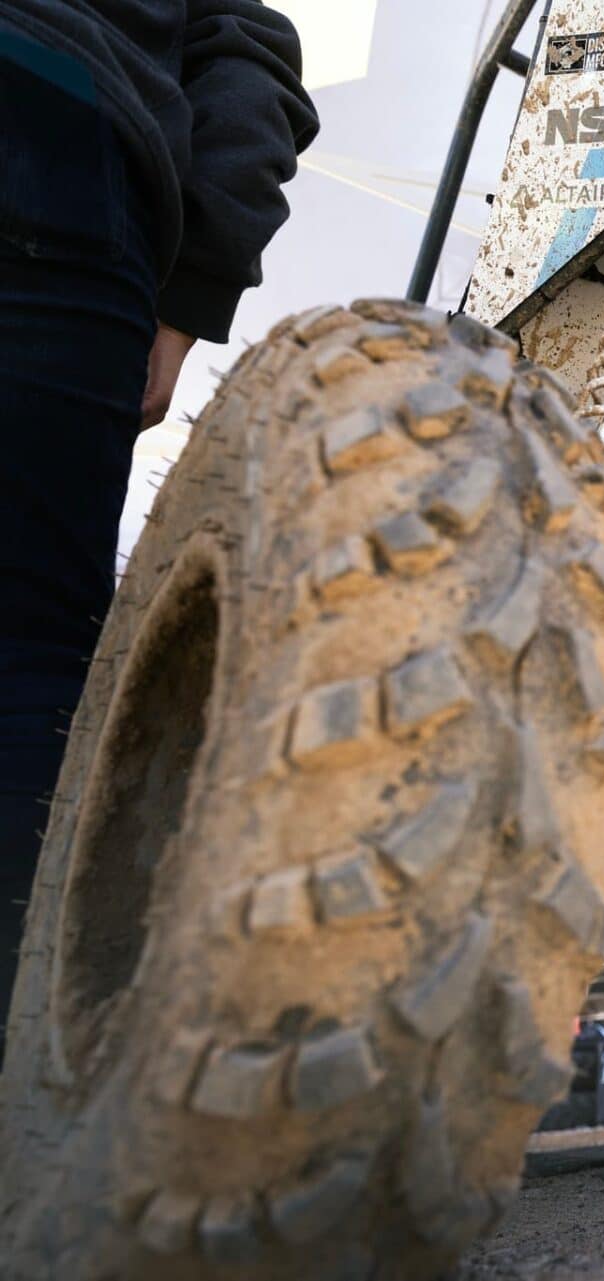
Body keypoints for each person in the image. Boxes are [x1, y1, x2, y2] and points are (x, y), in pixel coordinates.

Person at [0, 2, 317, 1050]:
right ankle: (42, 1110)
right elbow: (249, 51)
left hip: (58, 122)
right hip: (61, 138)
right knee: (29, 666)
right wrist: (188, 293)